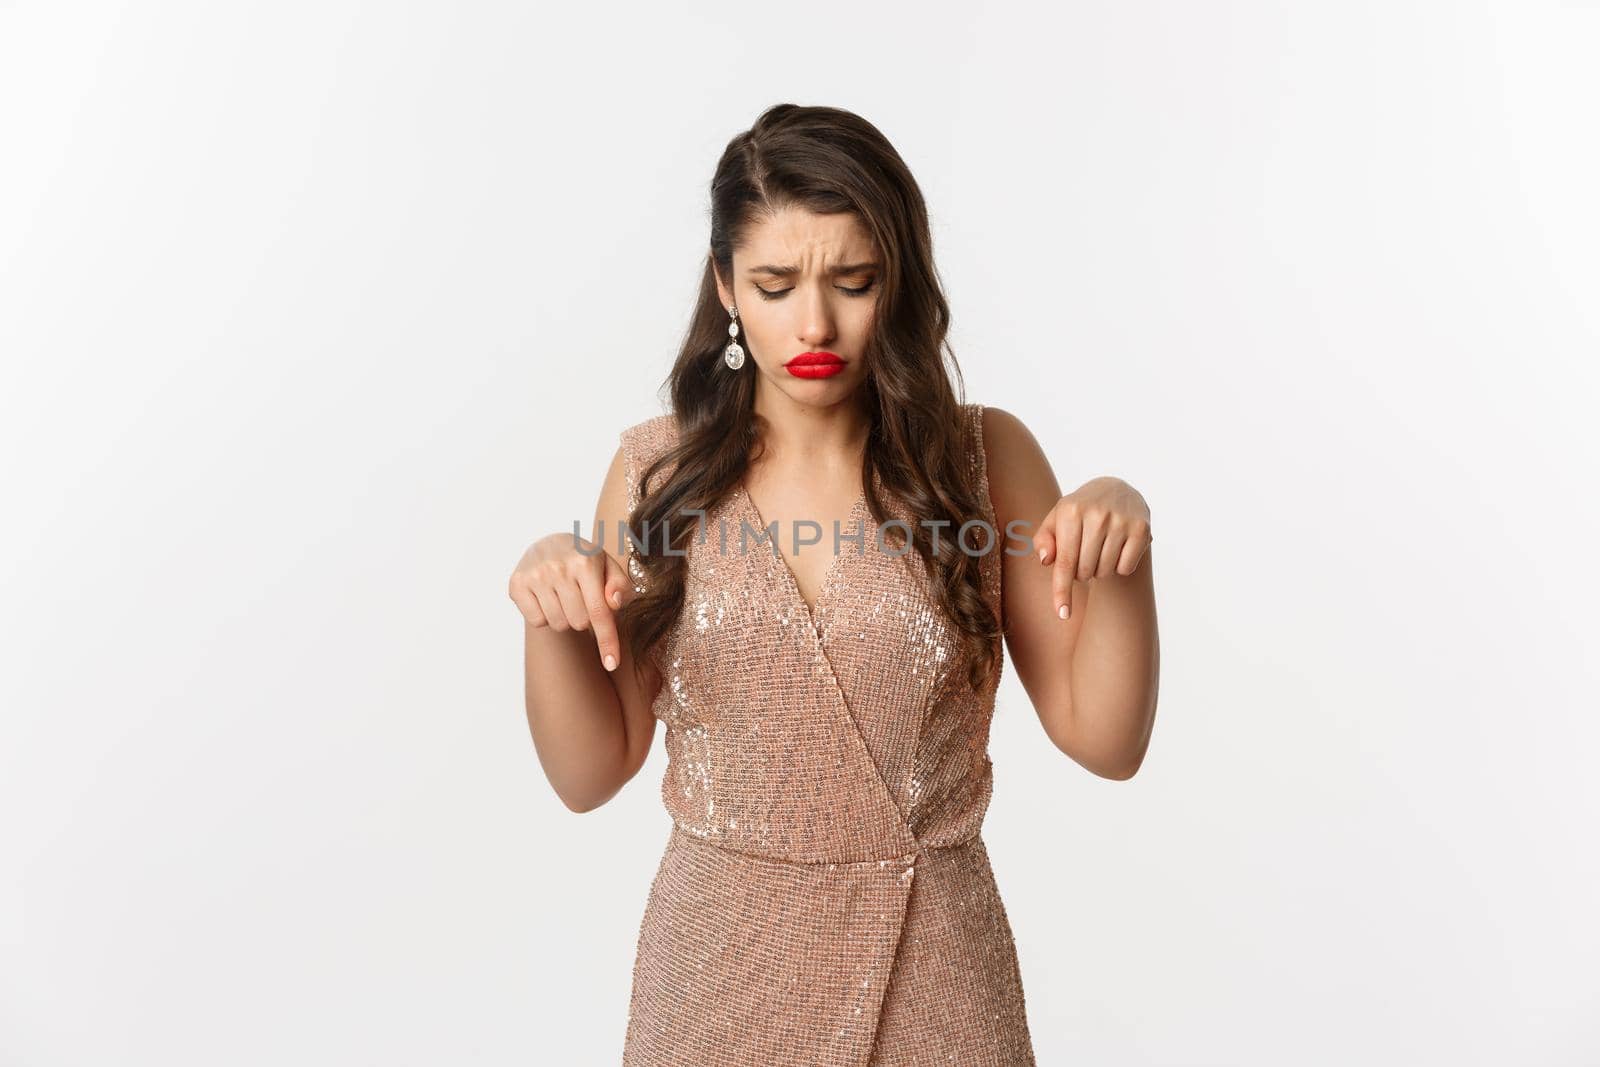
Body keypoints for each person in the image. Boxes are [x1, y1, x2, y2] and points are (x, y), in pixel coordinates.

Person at [509, 103, 1160, 1066]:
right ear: (727, 287)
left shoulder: (981, 460)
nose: (815, 322)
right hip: (718, 978)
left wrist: (1124, 558)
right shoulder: (658, 476)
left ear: (896, 282)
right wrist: (549, 612)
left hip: (935, 973)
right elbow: (588, 772)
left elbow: (1106, 740)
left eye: (852, 281)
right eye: (775, 284)